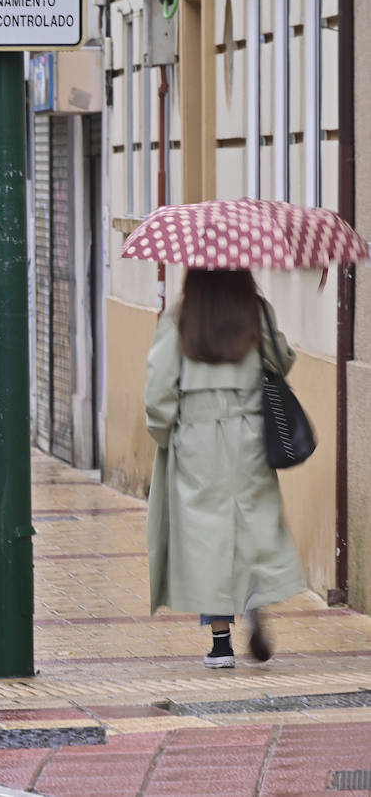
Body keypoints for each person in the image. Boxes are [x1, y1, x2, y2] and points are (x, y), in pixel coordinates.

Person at [144, 268, 306, 668]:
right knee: (250, 524)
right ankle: (253, 601)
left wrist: (165, 435)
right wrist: (263, 317)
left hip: (196, 439)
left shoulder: (180, 317)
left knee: (206, 538)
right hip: (249, 434)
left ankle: (220, 643)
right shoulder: (255, 311)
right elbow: (281, 361)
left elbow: (159, 391)